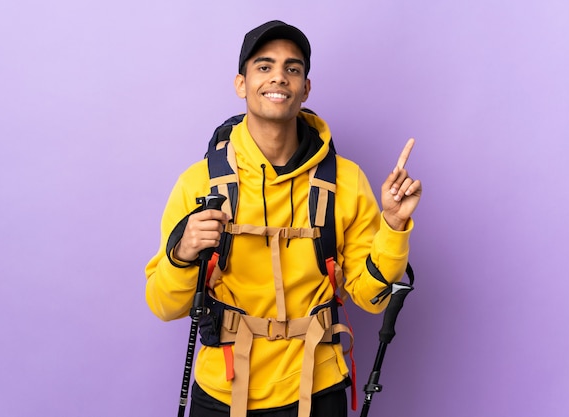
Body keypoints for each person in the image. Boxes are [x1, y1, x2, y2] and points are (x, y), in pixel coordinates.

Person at [145, 20, 422, 417]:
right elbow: (163, 305)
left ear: (305, 88)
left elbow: (371, 297)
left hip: (318, 388)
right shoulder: (199, 182)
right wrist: (183, 253)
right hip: (222, 390)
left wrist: (394, 226)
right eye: (264, 66)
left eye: (293, 68)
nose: (279, 76)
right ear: (241, 84)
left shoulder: (346, 180)